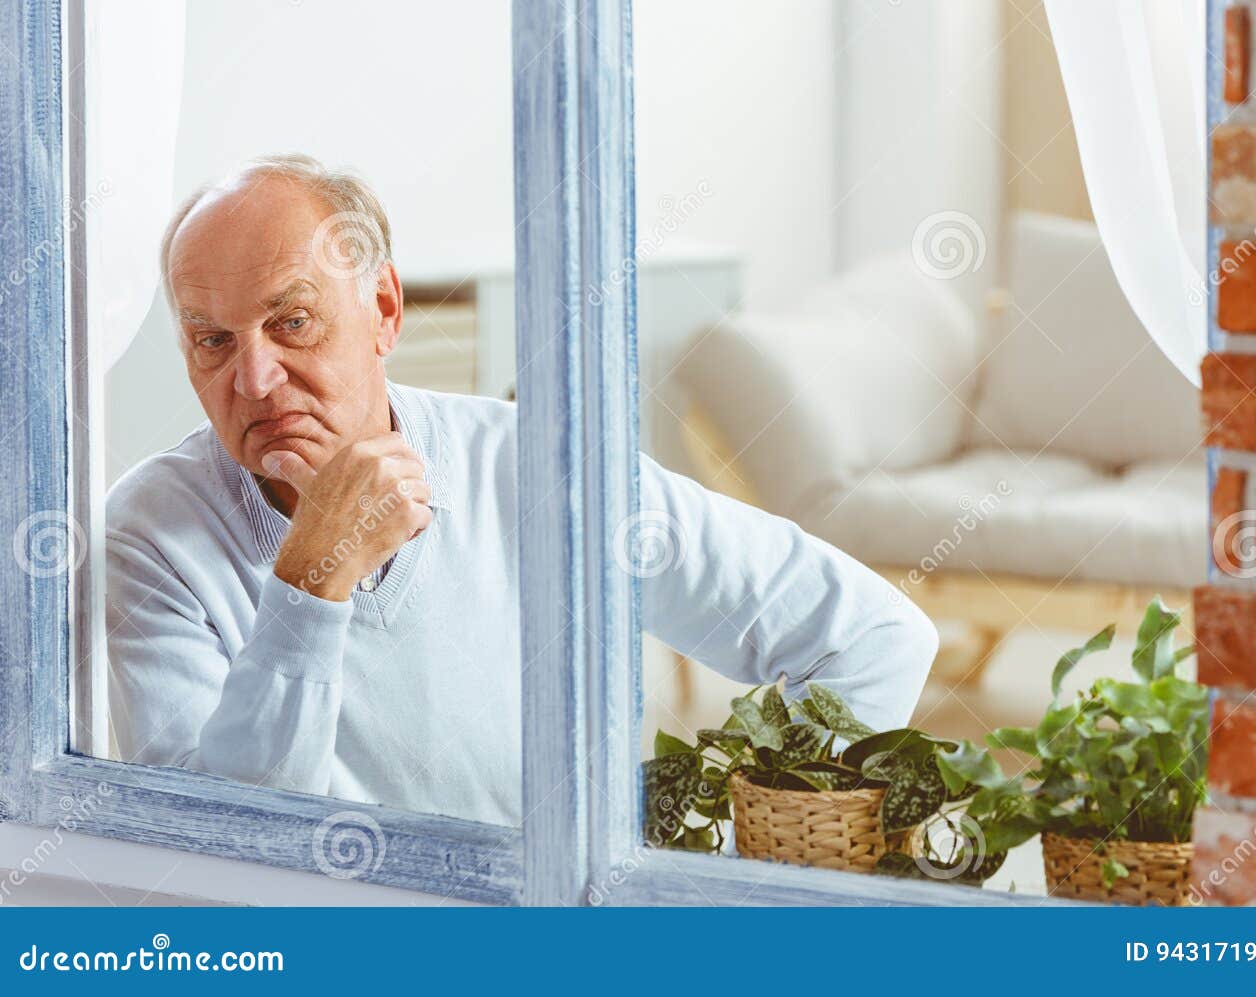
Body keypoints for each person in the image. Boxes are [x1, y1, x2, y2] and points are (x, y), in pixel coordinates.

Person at [105, 154, 937, 827]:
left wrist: (737, 860)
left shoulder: (538, 468)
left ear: (385, 309)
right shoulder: (150, 533)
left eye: (292, 322)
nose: (252, 379)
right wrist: (312, 581)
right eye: (213, 340)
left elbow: (868, 635)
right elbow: (214, 855)